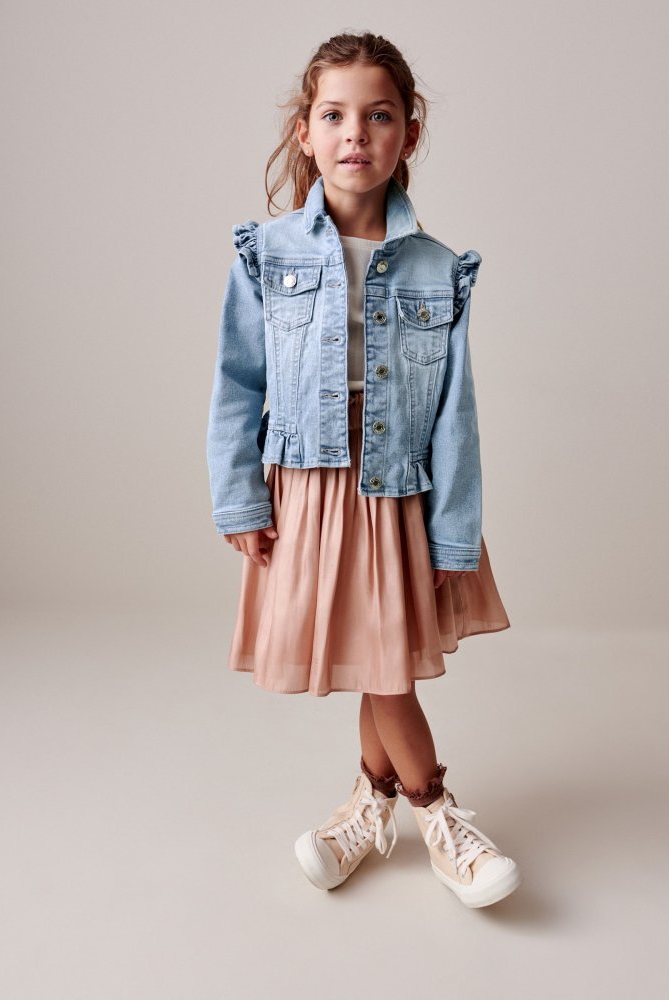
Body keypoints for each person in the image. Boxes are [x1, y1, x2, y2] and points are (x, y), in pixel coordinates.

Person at [206, 31, 520, 908]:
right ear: (304, 132)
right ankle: (429, 811)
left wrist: (454, 530)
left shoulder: (438, 268)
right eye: (335, 115)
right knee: (379, 658)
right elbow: (237, 382)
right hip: (310, 483)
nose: (355, 134)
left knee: (383, 660)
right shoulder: (267, 253)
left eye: (378, 116)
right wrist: (239, 497)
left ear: (408, 134)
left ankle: (384, 805)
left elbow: (454, 409)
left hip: (399, 485)